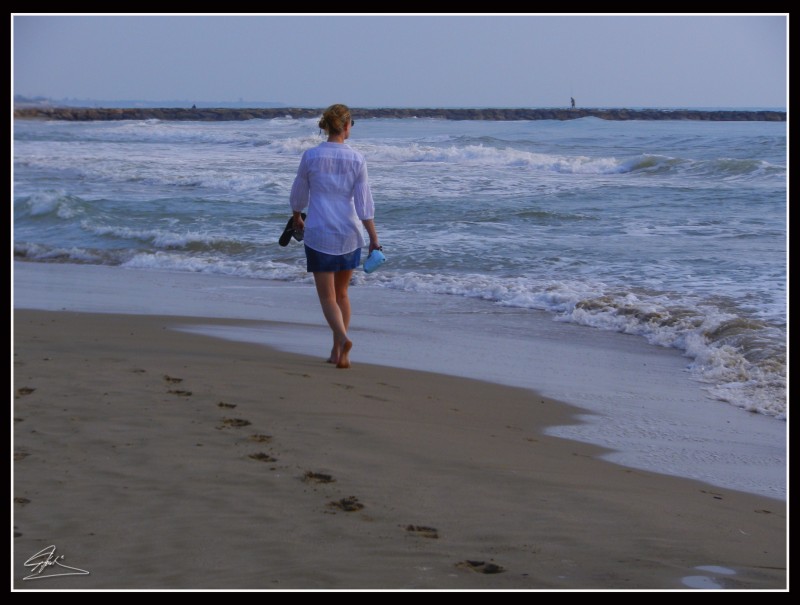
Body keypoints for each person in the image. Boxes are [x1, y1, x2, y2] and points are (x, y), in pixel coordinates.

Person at [289, 103, 381, 369]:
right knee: (342, 295)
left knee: (327, 297)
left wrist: (297, 215)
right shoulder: (357, 159)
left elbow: (299, 195)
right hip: (349, 234)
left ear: (327, 126)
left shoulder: (311, 156)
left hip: (319, 233)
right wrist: (373, 238)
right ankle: (339, 352)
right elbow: (365, 205)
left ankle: (342, 337)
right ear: (347, 126)